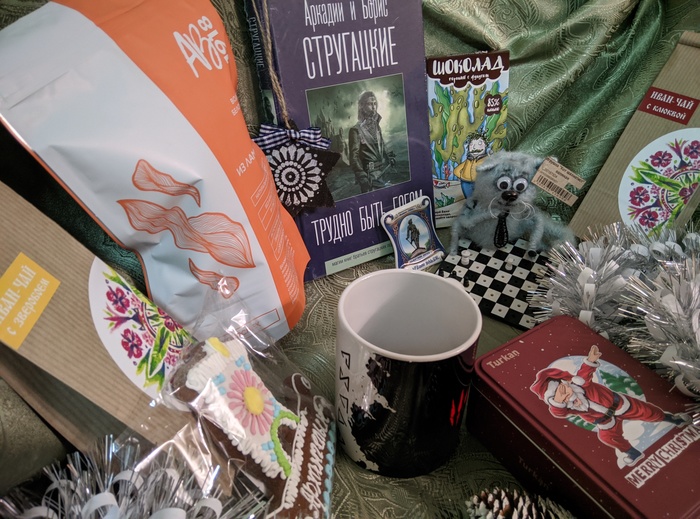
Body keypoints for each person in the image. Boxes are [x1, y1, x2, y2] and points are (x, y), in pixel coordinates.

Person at [530, 345, 689, 467]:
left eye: (562, 388)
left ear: (565, 383)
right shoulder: (567, 407)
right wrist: (558, 401)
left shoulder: (581, 384)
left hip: (620, 405)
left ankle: (673, 419)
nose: (565, 394)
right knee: (608, 437)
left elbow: (585, 372)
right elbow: (558, 413)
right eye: (558, 396)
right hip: (605, 421)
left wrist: (591, 360)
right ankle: (632, 453)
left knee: (650, 412)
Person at [348, 91, 395, 193]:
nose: (374, 107)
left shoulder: (377, 126)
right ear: (362, 106)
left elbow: (382, 146)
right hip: (369, 175)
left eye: (375, 104)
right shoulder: (355, 130)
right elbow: (353, 158)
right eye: (369, 104)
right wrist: (362, 176)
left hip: (383, 171)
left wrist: (389, 158)